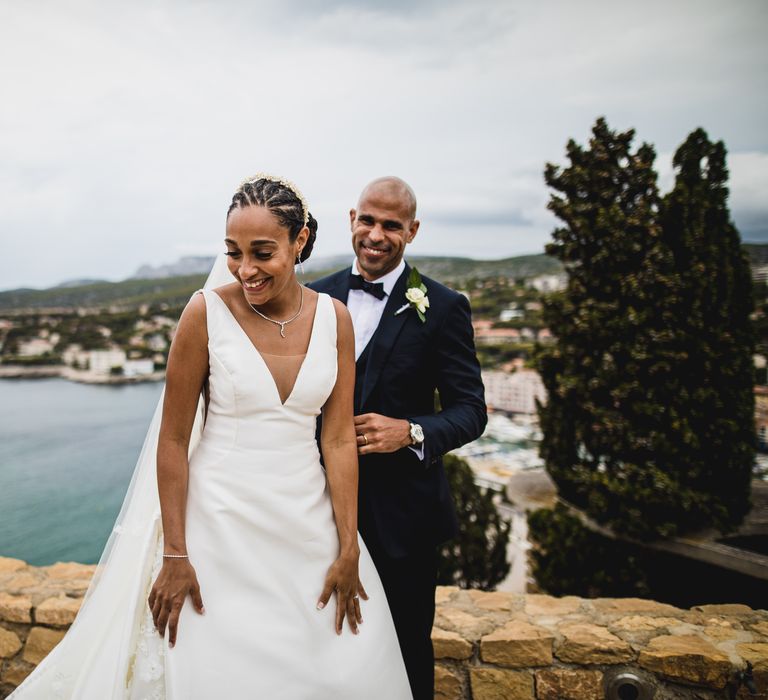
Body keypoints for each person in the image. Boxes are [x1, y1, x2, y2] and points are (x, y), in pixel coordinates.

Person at [10, 175, 412, 699]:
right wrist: (176, 554)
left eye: (262, 252)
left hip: (308, 524)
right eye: (233, 252)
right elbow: (173, 440)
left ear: (300, 241)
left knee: (341, 664)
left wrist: (347, 545)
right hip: (218, 525)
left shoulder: (334, 318)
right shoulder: (205, 314)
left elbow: (336, 441)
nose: (245, 269)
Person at [309, 176, 487, 700]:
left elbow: (471, 411)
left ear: (412, 230)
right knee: (322, 644)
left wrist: (409, 431)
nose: (376, 234)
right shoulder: (315, 298)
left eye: (391, 224)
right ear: (351, 220)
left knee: (405, 647)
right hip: (314, 510)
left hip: (404, 521)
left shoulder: (445, 306)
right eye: (368, 220)